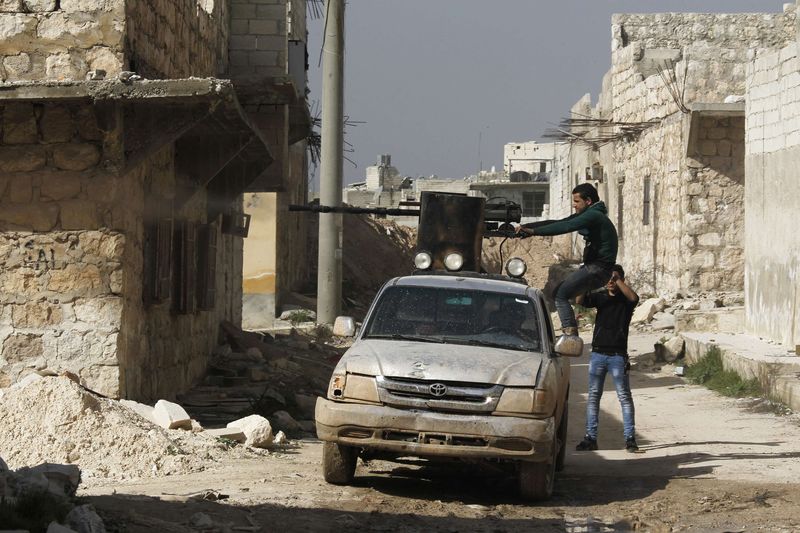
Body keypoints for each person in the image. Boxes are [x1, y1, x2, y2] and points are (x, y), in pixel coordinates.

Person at [516, 183, 617, 351]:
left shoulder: (593, 216)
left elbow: (565, 227)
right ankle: (570, 334)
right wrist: (530, 227)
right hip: (596, 268)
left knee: (560, 295)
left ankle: (570, 338)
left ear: (589, 201)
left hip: (598, 268)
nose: (574, 205)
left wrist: (533, 233)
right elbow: (561, 221)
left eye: (577, 201)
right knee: (562, 294)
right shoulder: (591, 213)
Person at [574, 264, 640, 452]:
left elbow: (634, 298)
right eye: (609, 279)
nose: (611, 282)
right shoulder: (600, 298)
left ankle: (630, 438)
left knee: (624, 397)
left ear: (622, 280)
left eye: (615, 279)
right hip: (597, 355)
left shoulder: (625, 302)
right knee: (594, 397)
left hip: (618, 356)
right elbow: (579, 300)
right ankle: (590, 437)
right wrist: (587, 279)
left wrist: (616, 276)